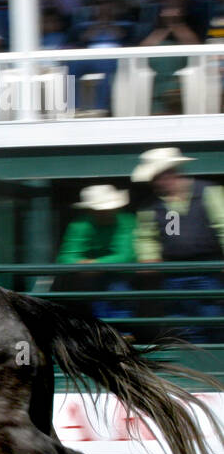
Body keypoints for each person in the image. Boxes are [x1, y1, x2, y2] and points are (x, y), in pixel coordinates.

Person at [132, 147, 224, 344]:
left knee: (211, 317)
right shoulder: (151, 206)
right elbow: (146, 237)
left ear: (172, 173)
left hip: (208, 269)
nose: (156, 182)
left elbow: (223, 224)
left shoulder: (208, 192)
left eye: (158, 176)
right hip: (172, 272)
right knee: (180, 321)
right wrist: (148, 258)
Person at [56, 184, 136, 323]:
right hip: (87, 283)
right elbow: (65, 257)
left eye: (108, 209)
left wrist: (94, 265)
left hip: (119, 279)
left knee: (119, 293)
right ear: (90, 210)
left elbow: (127, 256)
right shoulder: (79, 225)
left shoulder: (127, 221)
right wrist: (81, 265)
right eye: (99, 210)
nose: (105, 212)